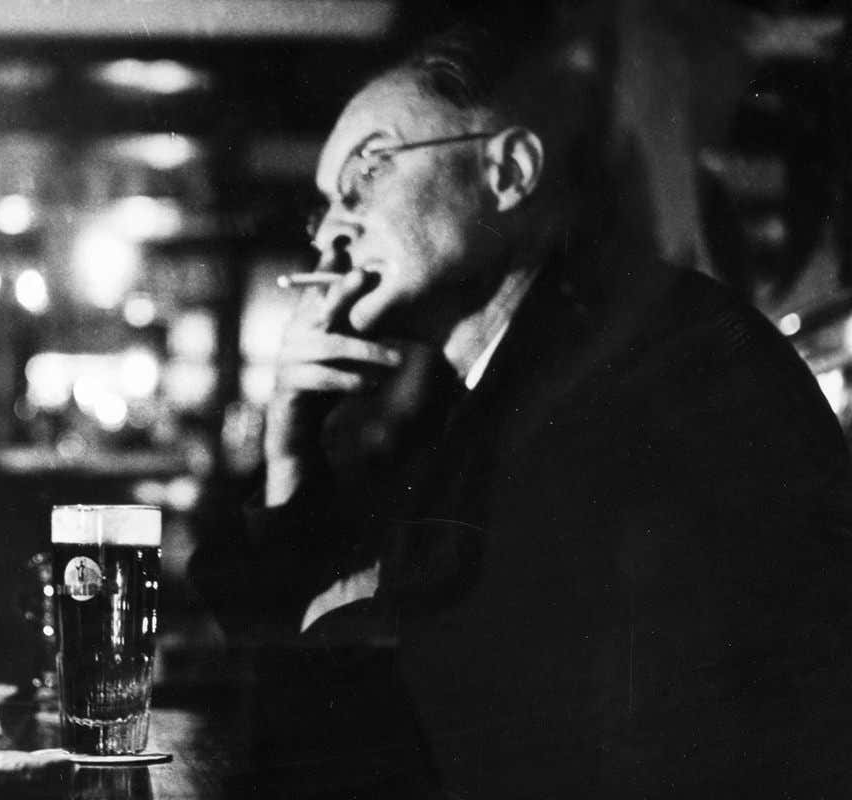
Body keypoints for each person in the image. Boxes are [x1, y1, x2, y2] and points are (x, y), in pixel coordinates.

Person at [191, 24, 852, 800]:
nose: (333, 233)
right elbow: (292, 654)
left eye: (369, 171)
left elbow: (441, 705)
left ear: (507, 171)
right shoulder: (497, 385)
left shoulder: (659, 359)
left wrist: (355, 619)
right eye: (326, 206)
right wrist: (291, 444)